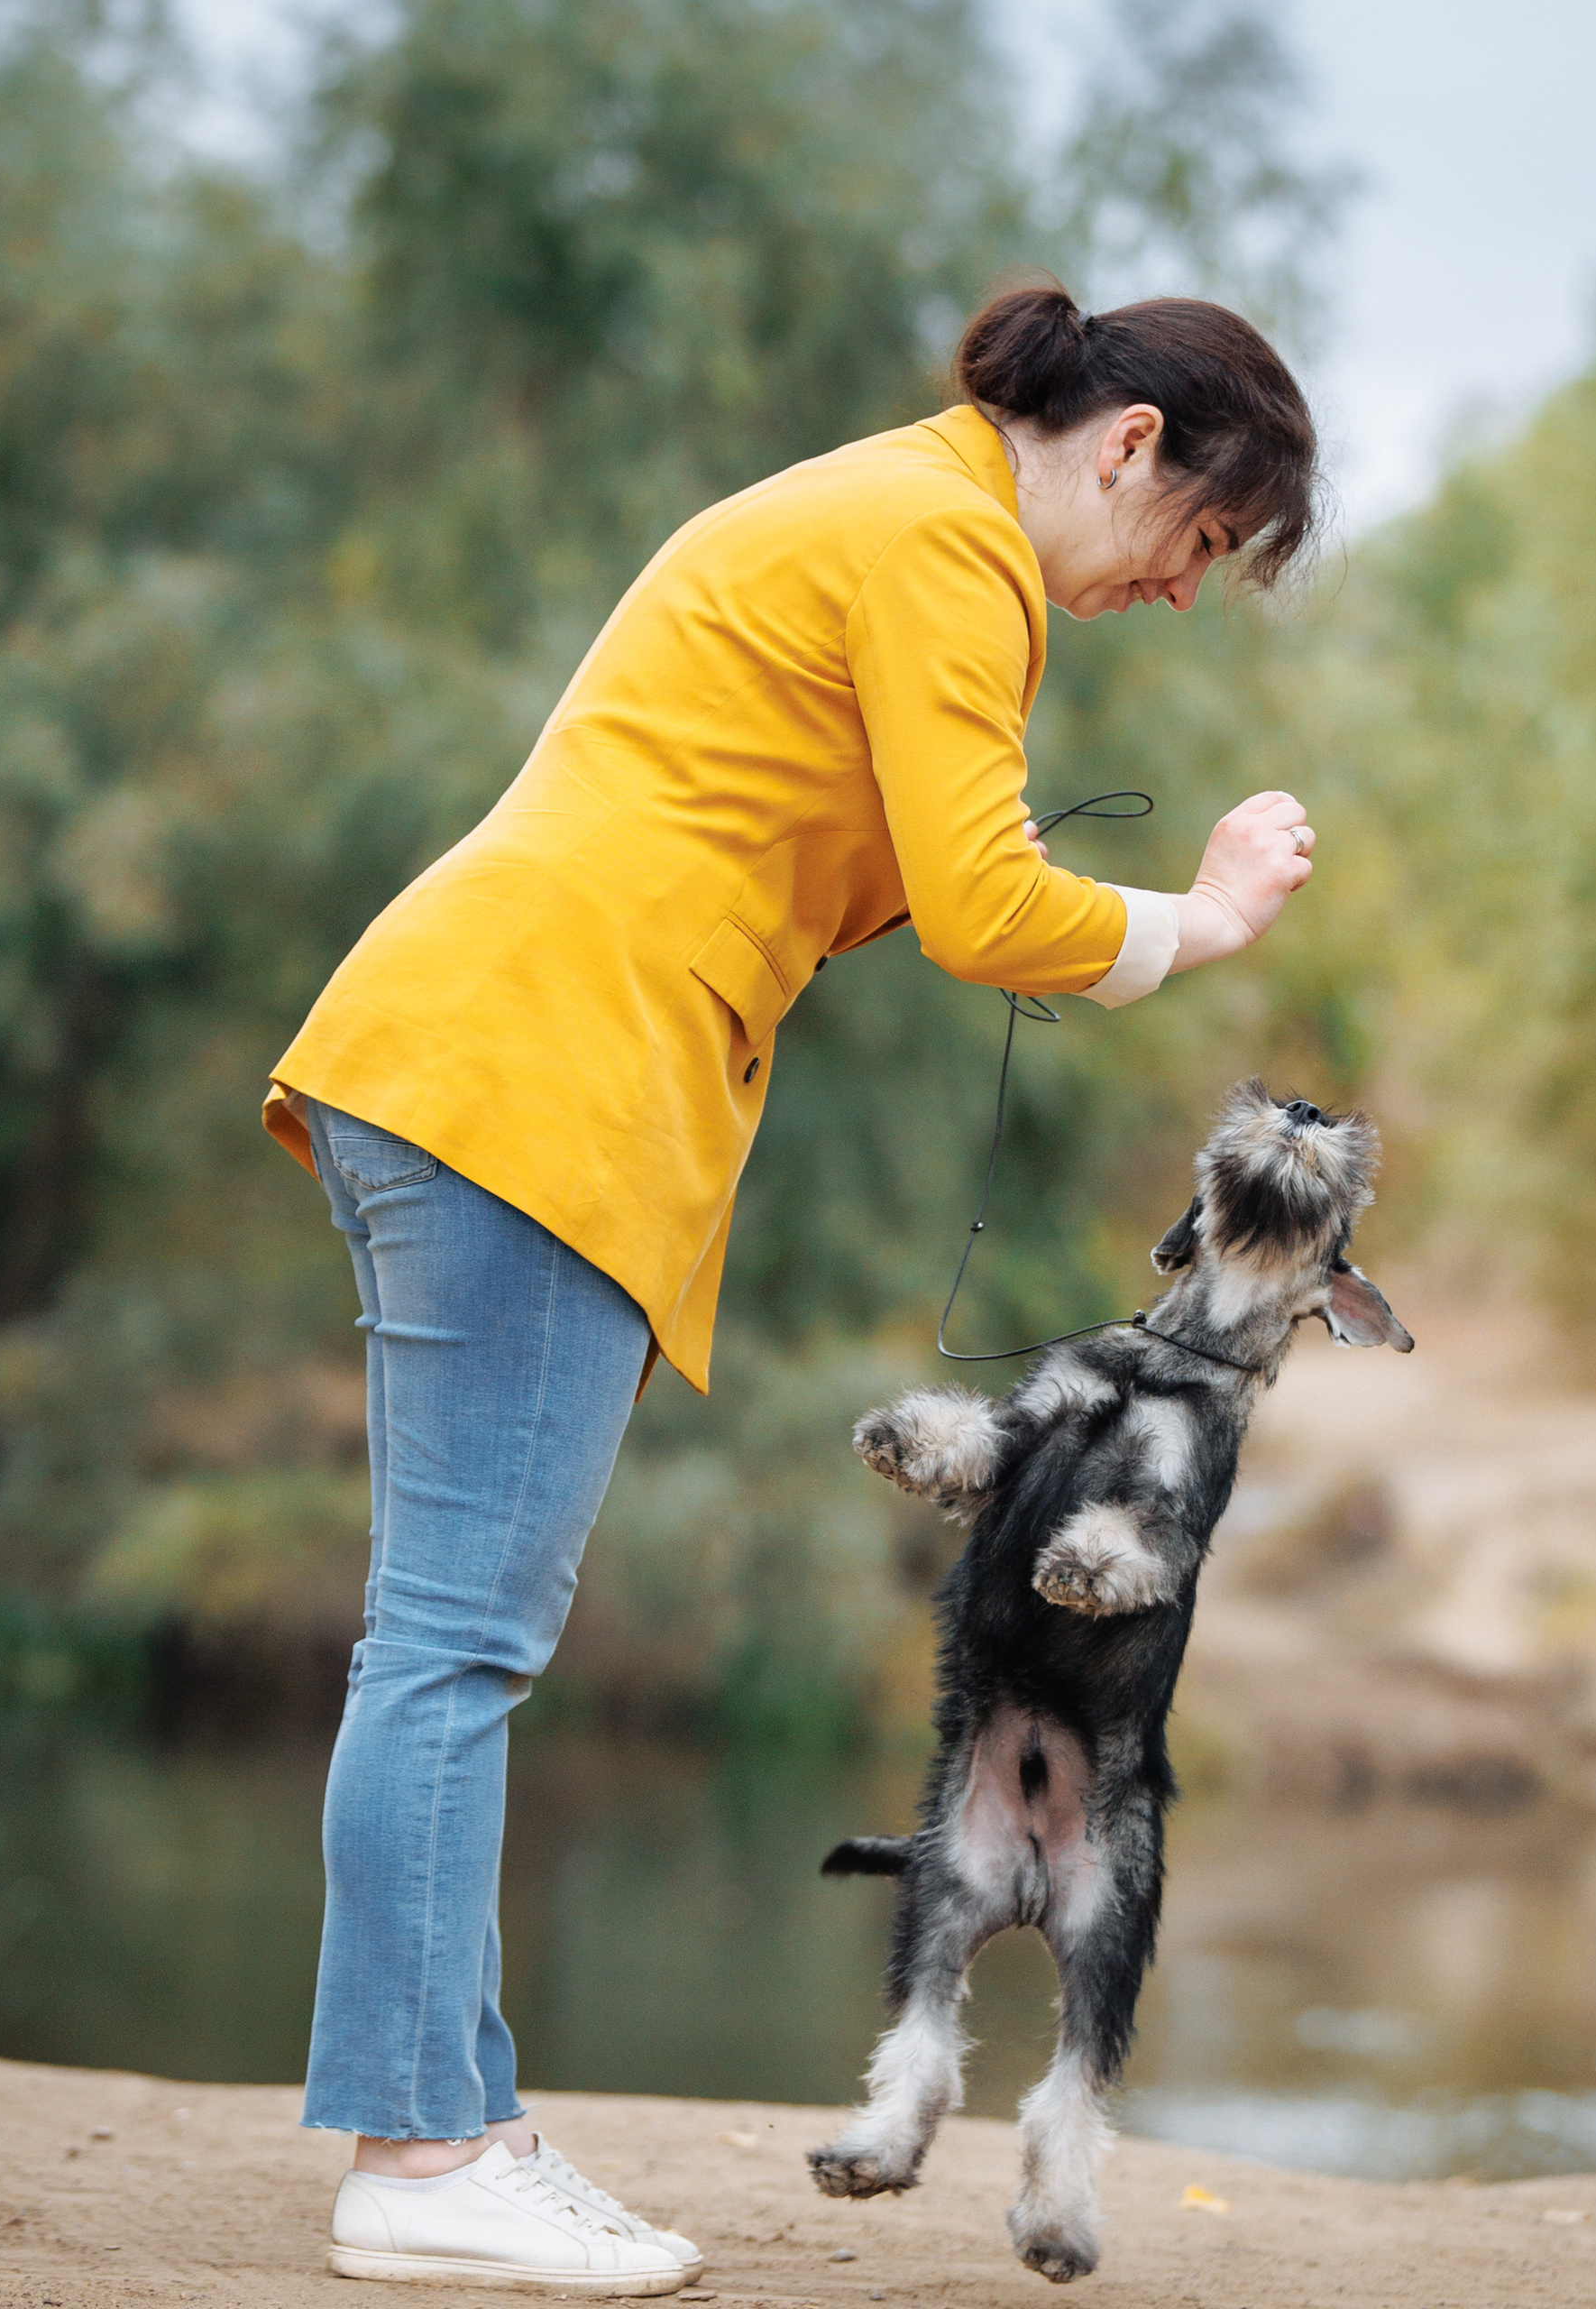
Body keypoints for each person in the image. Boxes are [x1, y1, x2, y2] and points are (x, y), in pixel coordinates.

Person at [260, 278, 1323, 2293]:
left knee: (450, 1630)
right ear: (1125, 448)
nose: (1179, 593)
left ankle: (453, 2122)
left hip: (498, 1060)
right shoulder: (948, 541)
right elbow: (987, 900)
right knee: (453, 1638)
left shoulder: (900, 511)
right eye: (1199, 542)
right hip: (528, 1076)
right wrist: (1195, 917)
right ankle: (416, 2153)